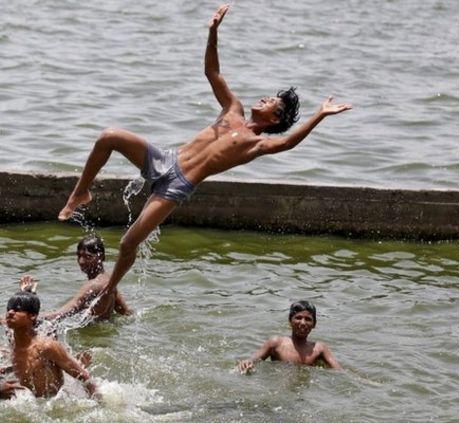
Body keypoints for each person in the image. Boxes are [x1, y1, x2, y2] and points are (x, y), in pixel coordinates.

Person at [57, 4, 352, 296]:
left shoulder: (257, 144)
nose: (264, 98)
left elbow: (288, 143)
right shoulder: (232, 109)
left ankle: (109, 290)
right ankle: (80, 193)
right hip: (165, 159)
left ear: (275, 118)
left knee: (127, 244)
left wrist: (320, 114)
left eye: (271, 101)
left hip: (176, 187)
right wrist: (213, 31)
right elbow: (212, 71)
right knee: (109, 136)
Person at [5, 291, 100, 398]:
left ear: (32, 316)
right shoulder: (12, 341)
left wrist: (100, 404)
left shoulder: (46, 347)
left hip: (53, 401)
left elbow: (84, 376)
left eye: (17, 309)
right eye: (8, 309)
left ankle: (79, 362)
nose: (10, 312)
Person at [20, 234, 132, 323]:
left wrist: (24, 317)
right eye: (79, 255)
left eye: (88, 257)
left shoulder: (93, 285)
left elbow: (60, 314)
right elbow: (126, 313)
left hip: (89, 340)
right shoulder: (109, 280)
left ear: (101, 257)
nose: (81, 261)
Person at [237, 300, 342, 373]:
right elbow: (253, 360)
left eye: (308, 319)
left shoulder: (319, 349)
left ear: (314, 324)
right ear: (290, 321)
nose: (303, 323)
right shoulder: (276, 343)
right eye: (298, 318)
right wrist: (247, 363)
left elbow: (339, 372)